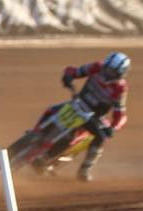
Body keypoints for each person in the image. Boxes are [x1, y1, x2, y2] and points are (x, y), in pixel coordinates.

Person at [55, 52, 131, 181]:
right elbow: (75, 71)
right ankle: (36, 135)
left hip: (94, 116)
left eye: (113, 71)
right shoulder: (97, 67)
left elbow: (120, 113)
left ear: (120, 73)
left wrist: (113, 127)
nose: (108, 73)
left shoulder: (120, 88)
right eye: (107, 69)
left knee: (101, 136)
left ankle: (85, 168)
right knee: (52, 110)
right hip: (77, 104)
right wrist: (68, 76)